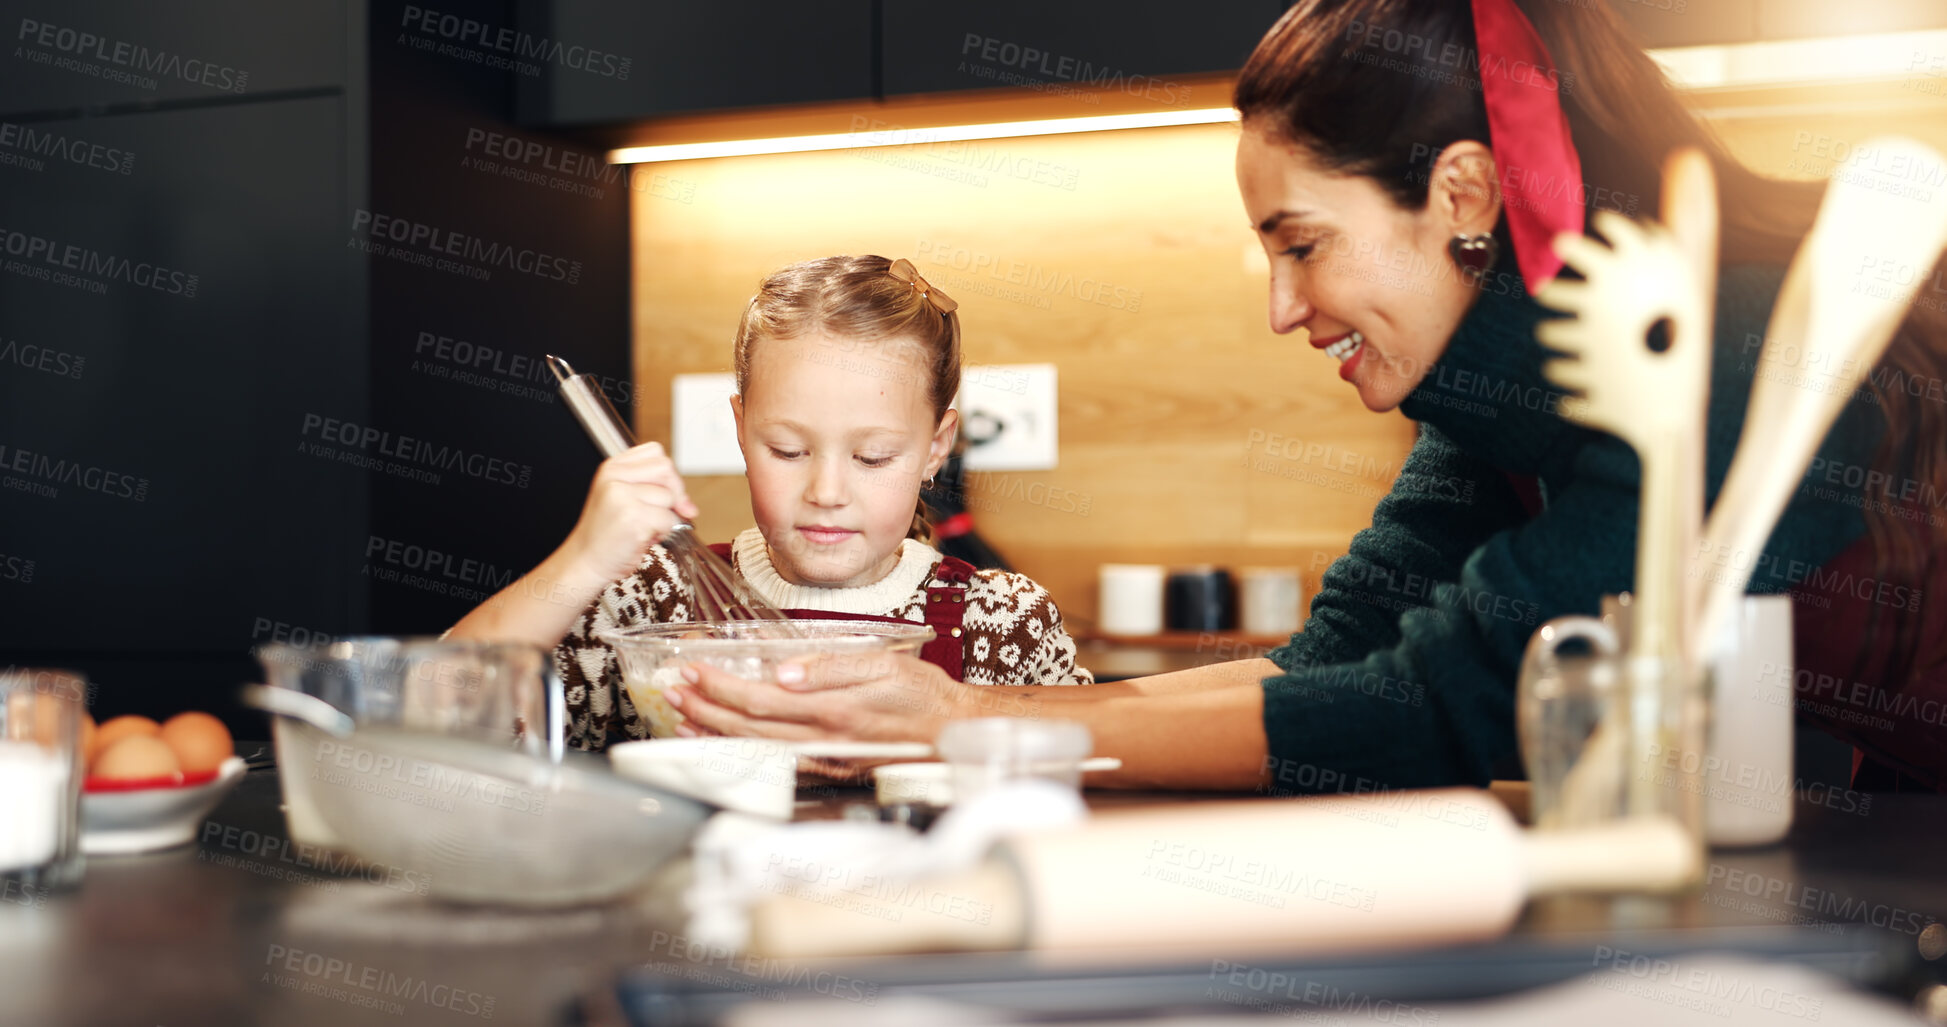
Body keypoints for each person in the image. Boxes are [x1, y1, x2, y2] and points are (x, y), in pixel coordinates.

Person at [661, 0, 1947, 793]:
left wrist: (969, 720)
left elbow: (1441, 705)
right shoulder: (1493, 400)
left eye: (1302, 242)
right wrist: (971, 718)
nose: (1281, 307)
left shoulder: (1740, 347)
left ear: (1462, 196)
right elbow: (1340, 667)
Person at [447, 254, 1091, 750]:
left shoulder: (999, 621)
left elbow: (1082, 795)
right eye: (786, 449)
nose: (827, 494)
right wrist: (582, 563)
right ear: (741, 427)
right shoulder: (651, 603)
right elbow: (438, 717)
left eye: (872, 458)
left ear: (936, 447)